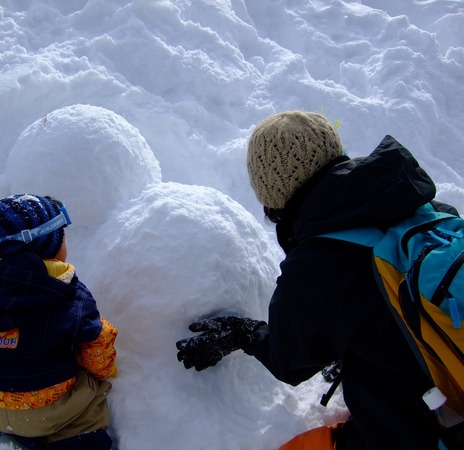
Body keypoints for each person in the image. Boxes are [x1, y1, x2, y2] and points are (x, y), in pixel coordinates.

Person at [176, 111, 458, 449]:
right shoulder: (423, 206)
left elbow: (289, 358)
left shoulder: (320, 262)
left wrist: (243, 333)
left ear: (274, 193)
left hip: (423, 433)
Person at [0, 194, 117, 450]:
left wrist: (3, 344)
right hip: (49, 411)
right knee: (90, 396)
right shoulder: (70, 293)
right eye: (63, 236)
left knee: (1, 386)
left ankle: (8, 433)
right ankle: (78, 440)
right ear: (51, 244)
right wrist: (102, 373)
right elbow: (96, 340)